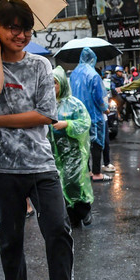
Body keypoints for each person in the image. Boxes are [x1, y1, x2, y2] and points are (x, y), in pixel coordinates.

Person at [0, 0, 91, 280]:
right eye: (12, 27)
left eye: (25, 28)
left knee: (57, 226)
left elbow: (45, 114)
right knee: (10, 233)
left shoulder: (41, 66)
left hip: (39, 162)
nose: (21, 34)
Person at [51, 66, 94, 227]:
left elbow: (84, 123)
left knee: (73, 181)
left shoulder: (74, 104)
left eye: (55, 83)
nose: (52, 87)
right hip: (53, 153)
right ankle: (72, 217)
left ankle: (84, 210)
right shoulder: (44, 104)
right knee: (60, 185)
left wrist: (67, 124)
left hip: (73, 152)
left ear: (62, 84)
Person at [70, 47, 111, 181]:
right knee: (97, 143)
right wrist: (105, 108)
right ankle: (97, 173)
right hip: (93, 115)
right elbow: (99, 97)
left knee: (83, 143)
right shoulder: (93, 75)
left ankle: (87, 172)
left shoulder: (74, 73)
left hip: (77, 115)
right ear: (93, 59)